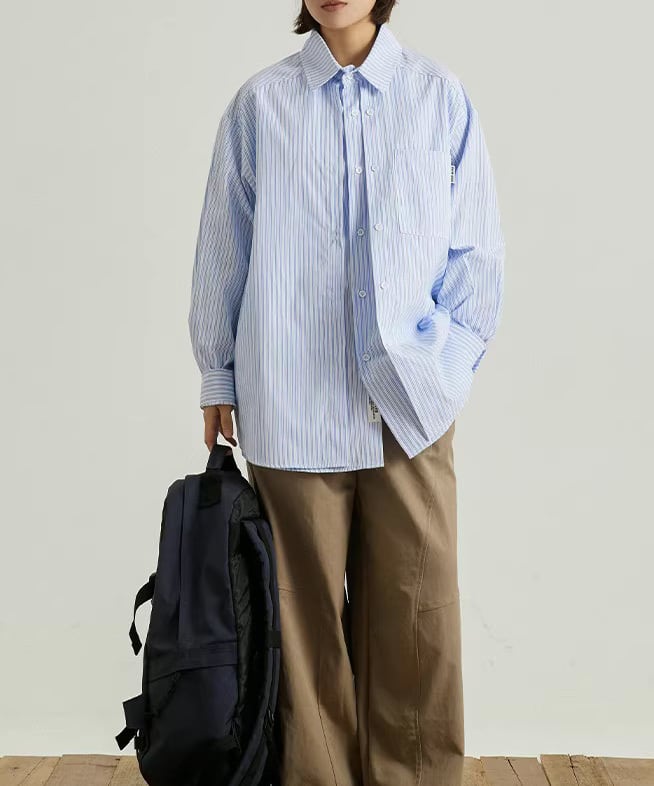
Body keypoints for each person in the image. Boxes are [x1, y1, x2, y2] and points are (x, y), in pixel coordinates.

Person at [188, 1, 505, 783]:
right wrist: (217, 373)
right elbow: (223, 246)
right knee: (302, 628)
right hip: (289, 397)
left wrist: (446, 368)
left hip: (411, 408)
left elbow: (476, 253)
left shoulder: (438, 97)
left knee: (418, 620)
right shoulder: (260, 105)